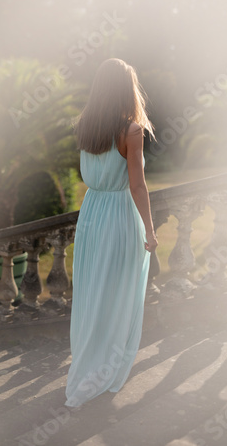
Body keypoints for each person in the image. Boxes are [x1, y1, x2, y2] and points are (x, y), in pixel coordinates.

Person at [64, 58, 158, 409]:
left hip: (91, 215)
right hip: (119, 214)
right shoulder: (131, 131)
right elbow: (137, 186)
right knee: (118, 293)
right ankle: (104, 367)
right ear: (125, 88)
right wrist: (150, 230)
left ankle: (88, 361)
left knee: (92, 292)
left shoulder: (84, 127)